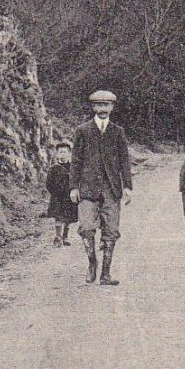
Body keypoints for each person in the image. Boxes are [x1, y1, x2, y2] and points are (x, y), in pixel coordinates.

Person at [72, 89, 133, 286]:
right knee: (87, 227)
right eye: (99, 104)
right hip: (87, 188)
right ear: (93, 107)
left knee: (111, 230)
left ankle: (106, 273)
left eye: (107, 105)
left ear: (112, 107)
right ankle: (92, 263)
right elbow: (75, 161)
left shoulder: (118, 132)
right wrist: (73, 187)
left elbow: (124, 160)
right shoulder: (83, 130)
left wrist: (127, 187)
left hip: (111, 188)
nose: (103, 108)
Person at [45, 140, 77, 247]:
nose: (62, 154)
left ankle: (65, 236)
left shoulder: (73, 168)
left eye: (65, 152)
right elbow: (48, 183)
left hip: (69, 197)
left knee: (68, 217)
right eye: (60, 152)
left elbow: (77, 180)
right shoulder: (54, 168)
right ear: (57, 154)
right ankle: (58, 237)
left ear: (69, 154)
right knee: (58, 217)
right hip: (58, 197)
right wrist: (55, 192)